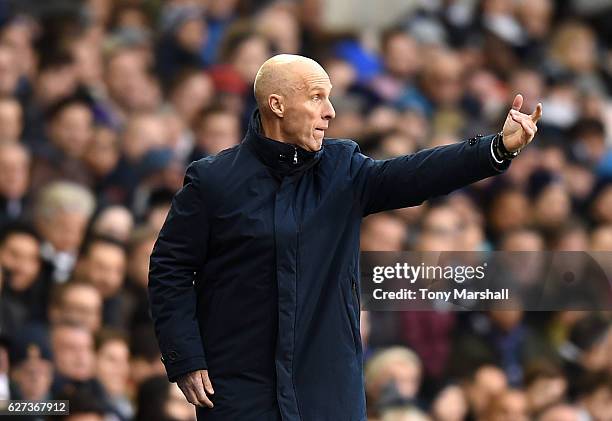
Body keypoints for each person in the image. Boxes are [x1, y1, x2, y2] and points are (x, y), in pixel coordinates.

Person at [148, 54, 542, 420]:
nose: (330, 112)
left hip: (329, 389)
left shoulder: (343, 169)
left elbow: (416, 174)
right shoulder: (213, 180)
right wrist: (186, 356)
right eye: (317, 98)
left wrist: (497, 147)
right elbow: (171, 267)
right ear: (277, 105)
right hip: (238, 389)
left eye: (330, 98)